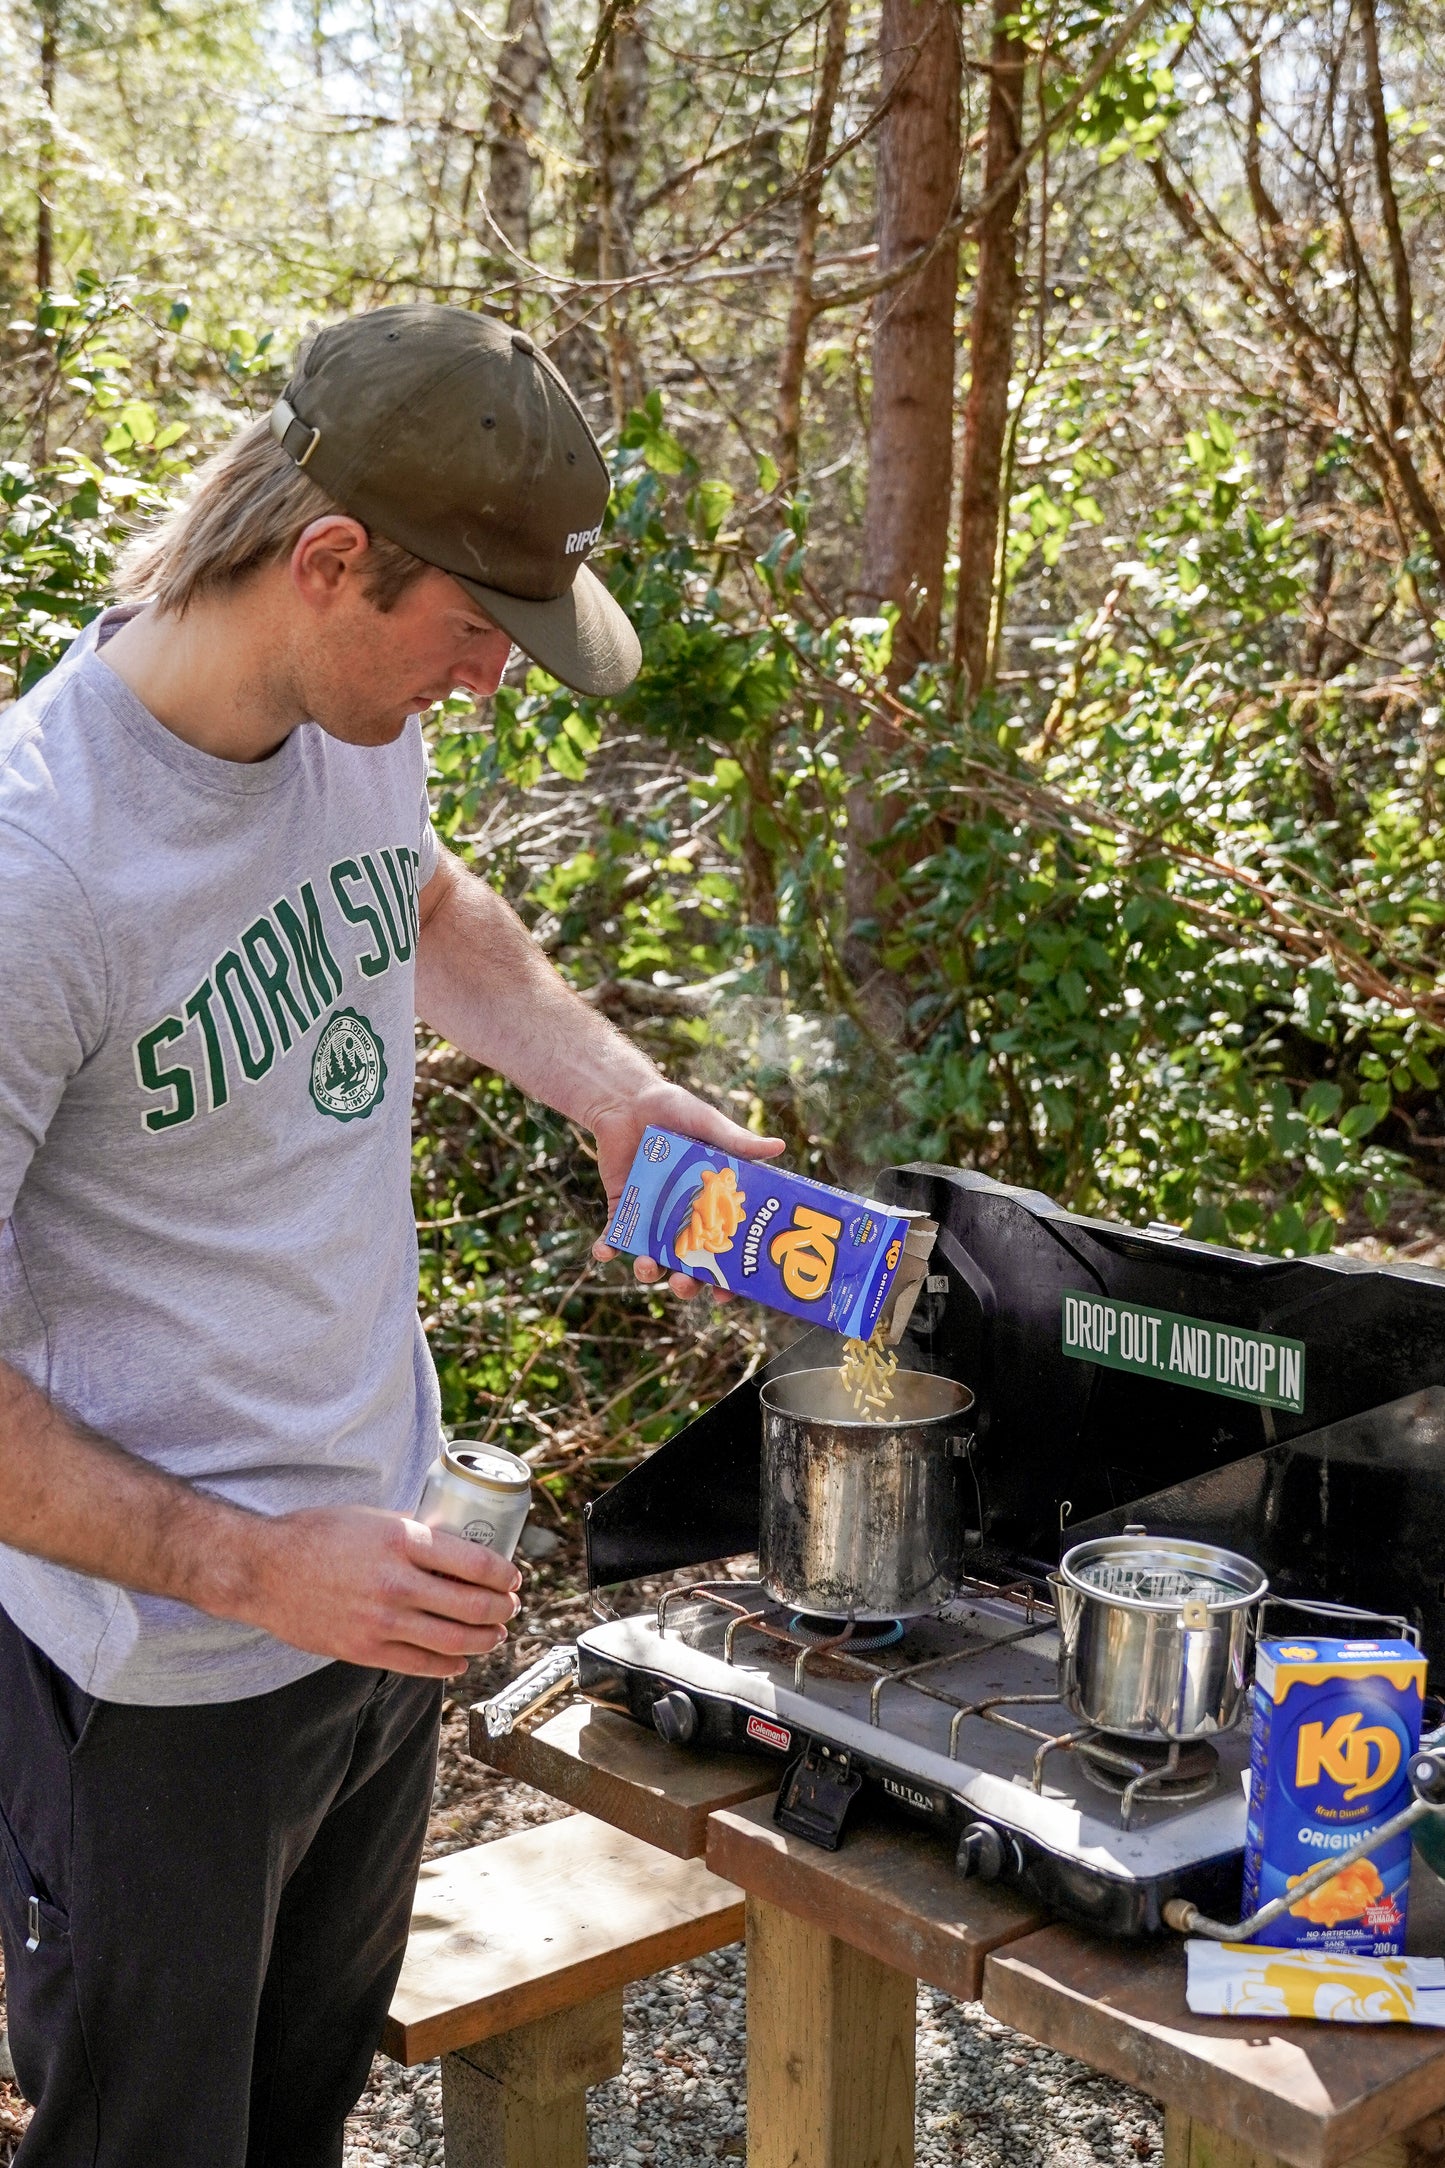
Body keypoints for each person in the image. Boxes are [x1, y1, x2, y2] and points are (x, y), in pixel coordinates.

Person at [0, 302, 782, 2168]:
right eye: (474, 634)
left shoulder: (346, 730)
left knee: (298, 2118)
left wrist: (610, 1090)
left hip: (377, 1591)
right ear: (333, 561)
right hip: (157, 1676)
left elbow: (417, 902)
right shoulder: (41, 874)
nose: (491, 683)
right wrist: (244, 1563)